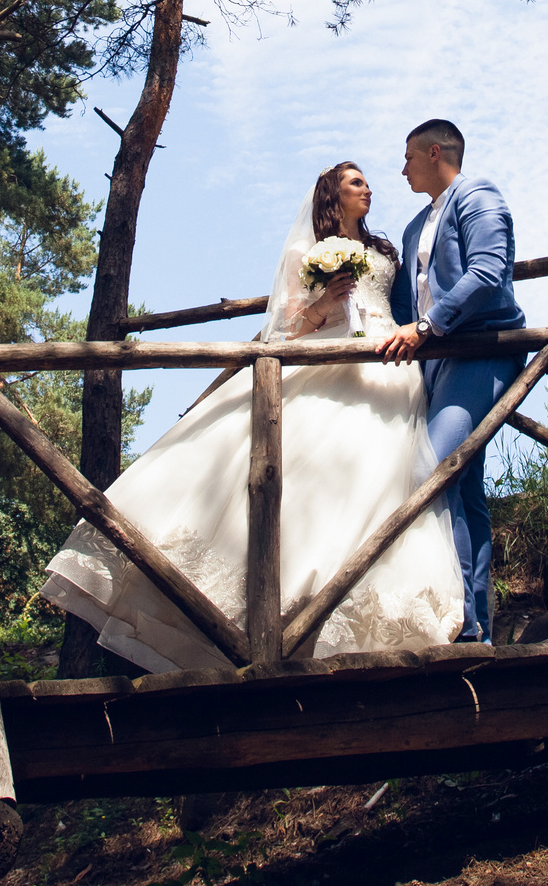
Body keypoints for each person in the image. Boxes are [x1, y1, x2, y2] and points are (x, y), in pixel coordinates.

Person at [39, 161, 463, 671]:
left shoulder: (385, 250)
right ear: (332, 195)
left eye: (367, 182)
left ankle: (344, 609)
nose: (368, 188)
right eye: (356, 182)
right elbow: (287, 329)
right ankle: (277, 607)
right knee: (296, 474)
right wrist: (326, 301)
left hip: (389, 365)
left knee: (378, 480)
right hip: (328, 356)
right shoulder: (306, 252)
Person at [377, 118, 523, 642]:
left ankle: (460, 625)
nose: (403, 170)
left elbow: (488, 273)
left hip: (482, 352)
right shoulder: (414, 227)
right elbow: (403, 306)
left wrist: (426, 327)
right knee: (465, 489)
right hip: (434, 367)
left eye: (408, 158)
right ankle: (476, 625)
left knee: (433, 471)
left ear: (434, 153)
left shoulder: (478, 195)